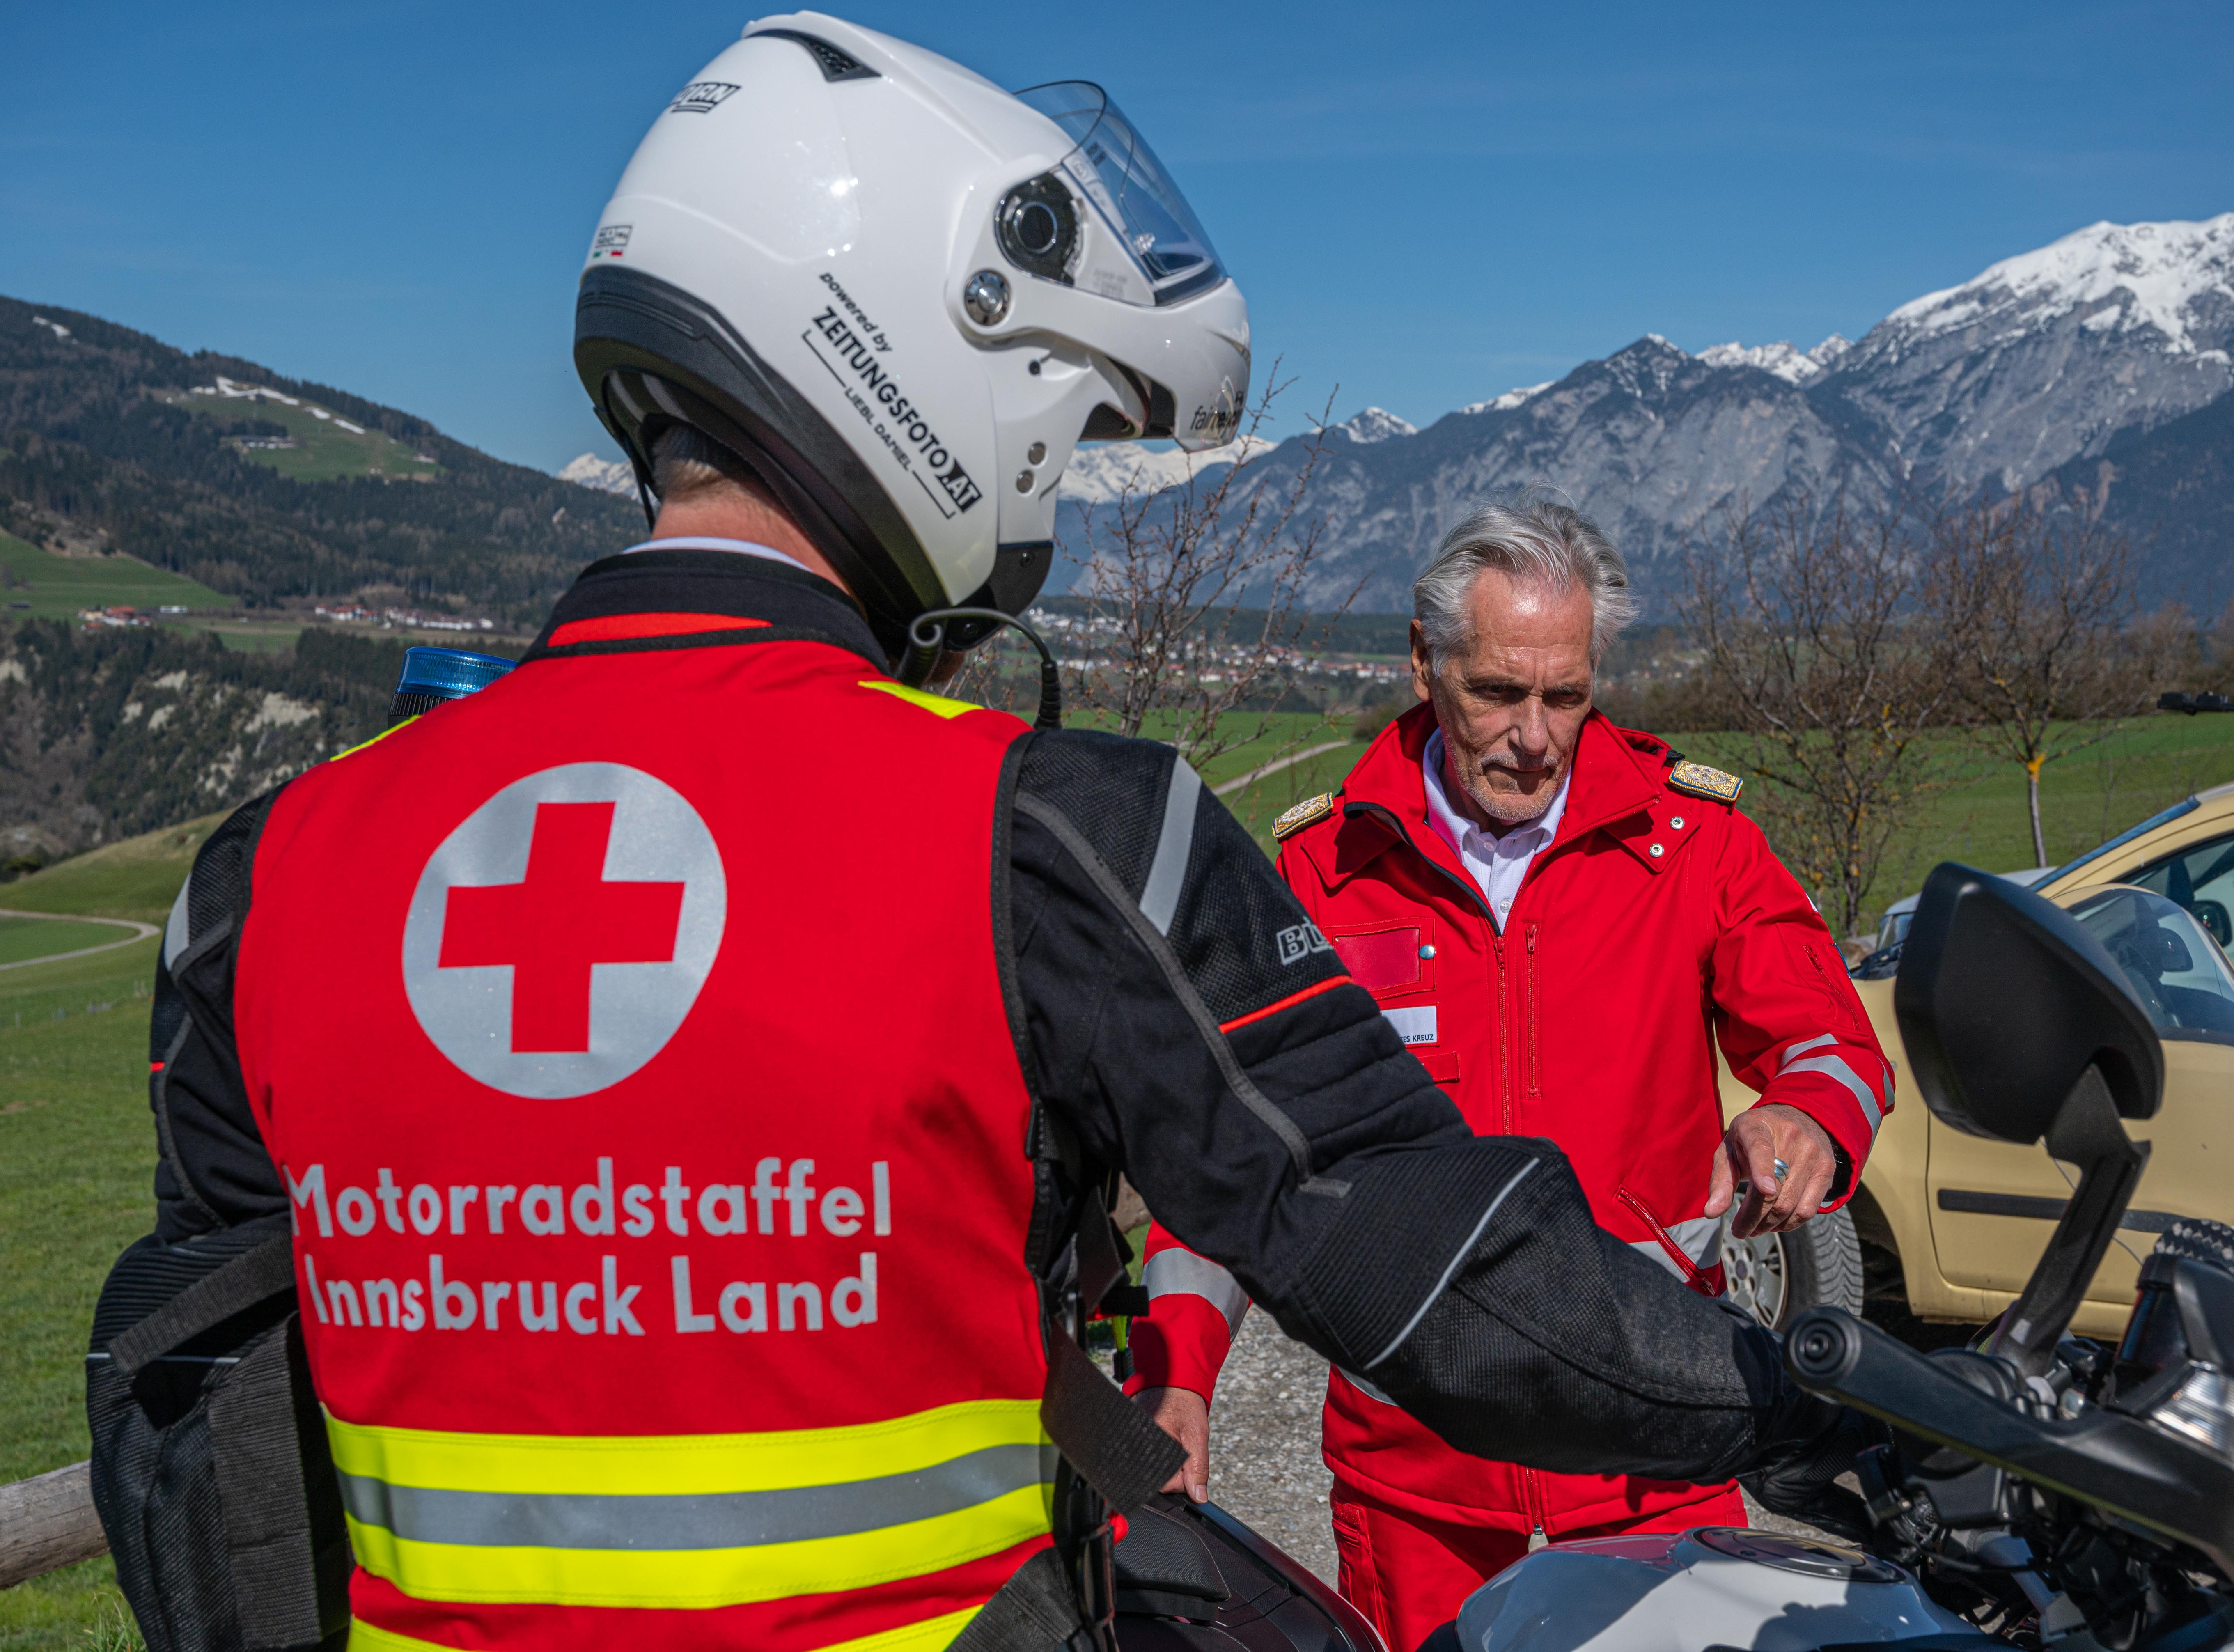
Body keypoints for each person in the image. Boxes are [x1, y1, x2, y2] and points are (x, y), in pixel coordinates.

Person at [95, 19, 1878, 1652]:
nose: (1045, 493)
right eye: (1064, 424)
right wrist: (1816, 1390)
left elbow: (206, 1469)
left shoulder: (263, 879)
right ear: (936, 371)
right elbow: (1449, 1274)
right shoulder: (1049, 834)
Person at [1129, 502, 1895, 1652]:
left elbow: (1834, 1043)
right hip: (1418, 1477)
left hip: (1654, 1443)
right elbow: (1227, 1160)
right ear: (1424, 662)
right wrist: (1177, 1376)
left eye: (1567, 696)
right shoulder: (1320, 873)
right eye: (1497, 692)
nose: (1535, 735)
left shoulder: (1696, 843)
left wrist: (1810, 1117)